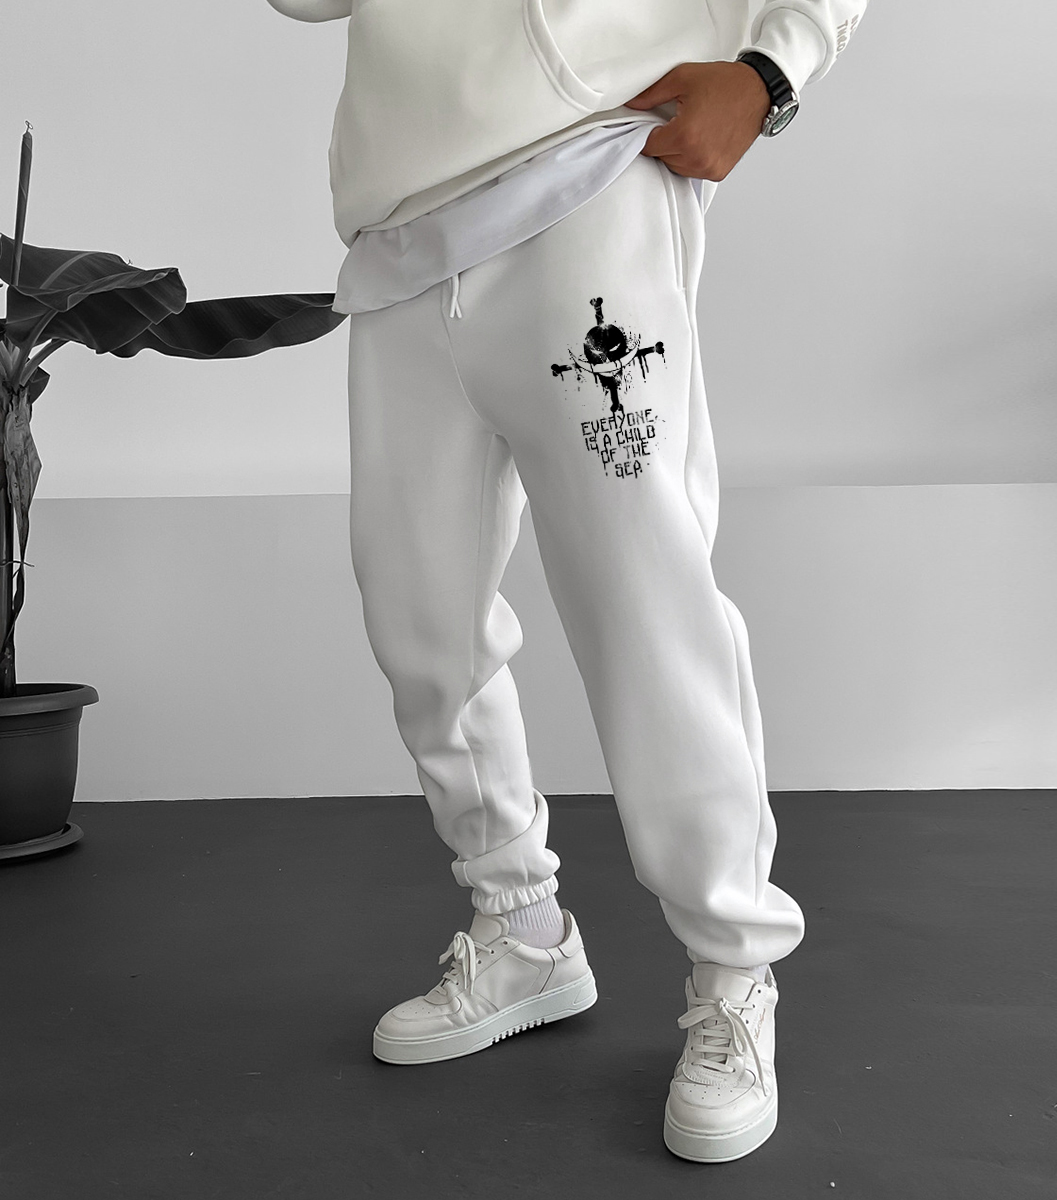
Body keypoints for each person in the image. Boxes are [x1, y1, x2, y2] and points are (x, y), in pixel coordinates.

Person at [266, 0, 869, 1163]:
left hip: (586, 171)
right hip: (402, 228)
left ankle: (733, 973)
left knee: (642, 603)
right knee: (419, 615)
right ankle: (521, 926)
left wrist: (769, 72)